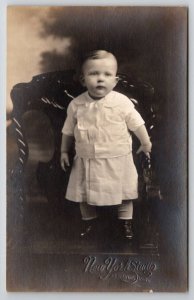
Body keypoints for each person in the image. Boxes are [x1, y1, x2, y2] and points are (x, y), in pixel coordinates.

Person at [60, 50, 152, 240]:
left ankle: (126, 222)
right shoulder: (76, 105)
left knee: (124, 193)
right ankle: (89, 222)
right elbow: (68, 131)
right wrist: (63, 151)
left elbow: (137, 124)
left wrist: (145, 143)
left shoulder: (122, 102)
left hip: (117, 159)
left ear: (115, 80)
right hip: (87, 159)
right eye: (94, 74)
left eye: (107, 74)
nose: (100, 79)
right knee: (84, 193)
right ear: (83, 80)